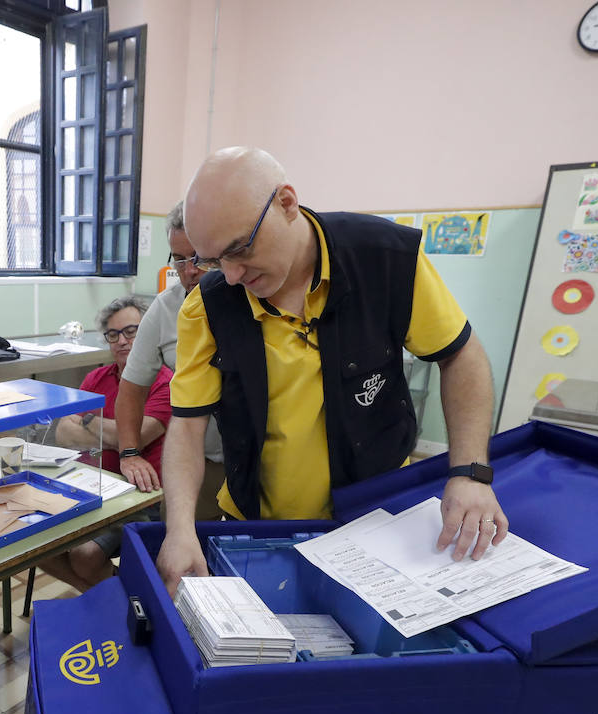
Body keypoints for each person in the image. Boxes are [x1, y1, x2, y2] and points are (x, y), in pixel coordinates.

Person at [156, 147, 507, 594]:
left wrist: (470, 472)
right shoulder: (208, 305)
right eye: (211, 260)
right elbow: (187, 427)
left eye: (240, 249)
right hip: (258, 522)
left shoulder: (385, 258)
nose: (230, 275)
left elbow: (460, 354)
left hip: (376, 513)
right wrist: (180, 528)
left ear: (286, 203)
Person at [43, 296, 172, 590]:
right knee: (27, 546)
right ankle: (122, 598)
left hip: (138, 497)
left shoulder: (166, 381)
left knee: (85, 555)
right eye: (113, 335)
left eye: (131, 331)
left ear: (151, 332)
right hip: (88, 488)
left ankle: (128, 601)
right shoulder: (96, 378)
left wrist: (87, 421)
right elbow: (64, 433)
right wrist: (113, 434)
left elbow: (133, 438)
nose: (122, 341)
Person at [114, 201, 226, 519]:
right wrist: (129, 452)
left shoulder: (251, 298)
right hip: (199, 463)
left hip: (260, 461)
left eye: (199, 258)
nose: (190, 271)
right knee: (181, 550)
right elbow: (132, 388)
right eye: (179, 260)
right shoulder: (165, 309)